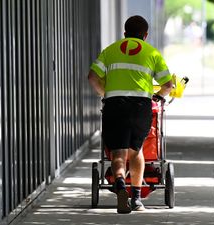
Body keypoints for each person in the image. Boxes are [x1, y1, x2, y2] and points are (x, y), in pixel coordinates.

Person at [87, 15, 173, 214]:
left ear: (125, 33)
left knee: (118, 153)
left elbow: (92, 76)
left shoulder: (111, 50)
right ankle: (136, 199)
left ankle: (119, 184)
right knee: (136, 152)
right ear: (145, 35)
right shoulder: (152, 53)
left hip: (114, 105)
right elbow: (168, 85)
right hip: (140, 106)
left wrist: (104, 93)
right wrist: (158, 96)